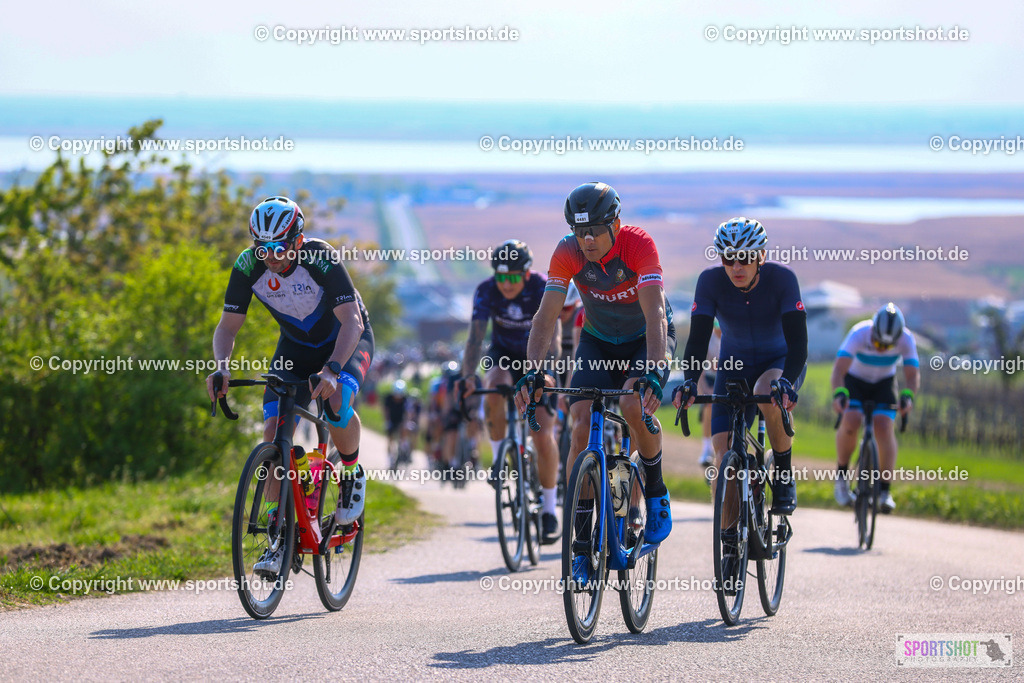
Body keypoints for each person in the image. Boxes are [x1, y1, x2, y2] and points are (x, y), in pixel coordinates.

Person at [514, 181, 677, 585]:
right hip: (599, 340)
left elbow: (655, 313)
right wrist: (533, 370)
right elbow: (545, 316)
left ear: (616, 224)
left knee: (632, 406)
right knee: (581, 417)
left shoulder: (638, 245)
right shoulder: (567, 251)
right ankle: (582, 544)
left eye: (594, 231)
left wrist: (655, 371)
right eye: (578, 230)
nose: (585, 240)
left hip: (646, 338)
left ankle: (655, 492)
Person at [206, 196, 374, 577]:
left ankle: (350, 473)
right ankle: (277, 538)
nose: (270, 257)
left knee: (335, 405)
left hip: (345, 341)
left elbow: (352, 323)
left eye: (279, 247)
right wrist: (221, 367)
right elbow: (227, 327)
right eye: (262, 248)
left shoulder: (321, 258)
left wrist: (332, 369)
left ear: (297, 240)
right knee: (273, 434)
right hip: (295, 350)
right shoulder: (248, 266)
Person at [673, 217, 807, 594]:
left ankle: (782, 474)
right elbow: (697, 341)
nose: (736, 266)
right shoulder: (710, 281)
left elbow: (798, 344)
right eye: (728, 257)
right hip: (733, 365)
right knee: (722, 454)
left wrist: (788, 381)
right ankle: (730, 541)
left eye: (745, 257)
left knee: (768, 391)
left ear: (760, 256)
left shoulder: (783, 280)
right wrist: (688, 380)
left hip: (778, 363)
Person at [461, 240, 563, 543]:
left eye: (513, 277)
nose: (506, 284)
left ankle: (549, 509)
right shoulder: (486, 290)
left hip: (540, 356)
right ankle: (499, 459)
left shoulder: (542, 288)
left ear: (527, 273)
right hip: (503, 353)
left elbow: (553, 335)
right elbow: (475, 337)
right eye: (500, 277)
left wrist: (546, 370)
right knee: (493, 385)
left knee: (543, 434)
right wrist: (468, 376)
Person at [831, 303, 919, 512]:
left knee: (884, 427)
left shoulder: (906, 339)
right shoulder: (859, 333)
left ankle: (884, 491)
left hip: (883, 384)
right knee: (851, 420)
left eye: (887, 347)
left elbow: (912, 375)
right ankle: (842, 478)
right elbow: (838, 370)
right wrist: (839, 393)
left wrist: (908, 396)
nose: (882, 349)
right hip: (855, 381)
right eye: (878, 343)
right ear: (873, 331)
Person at [383, 379, 410, 465]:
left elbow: (408, 413)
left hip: (400, 420)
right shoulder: (388, 398)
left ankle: (403, 444)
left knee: (404, 428)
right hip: (391, 420)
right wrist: (387, 421)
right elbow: (386, 411)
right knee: (390, 439)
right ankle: (390, 457)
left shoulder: (405, 400)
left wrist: (406, 422)